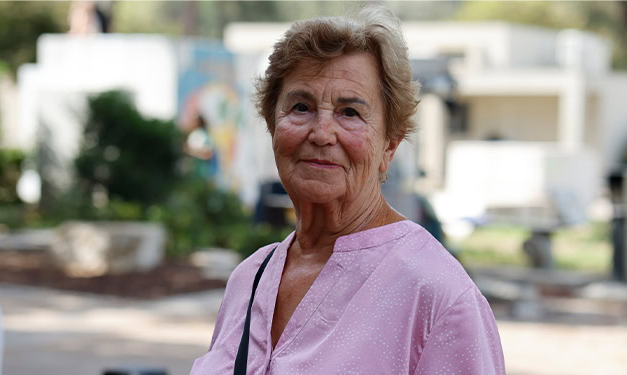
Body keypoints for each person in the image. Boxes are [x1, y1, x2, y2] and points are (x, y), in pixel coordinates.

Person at [190, 5, 505, 374]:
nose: (322, 133)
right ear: (272, 125)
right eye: (301, 107)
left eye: (350, 112)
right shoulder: (250, 279)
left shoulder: (437, 295)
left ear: (389, 145)